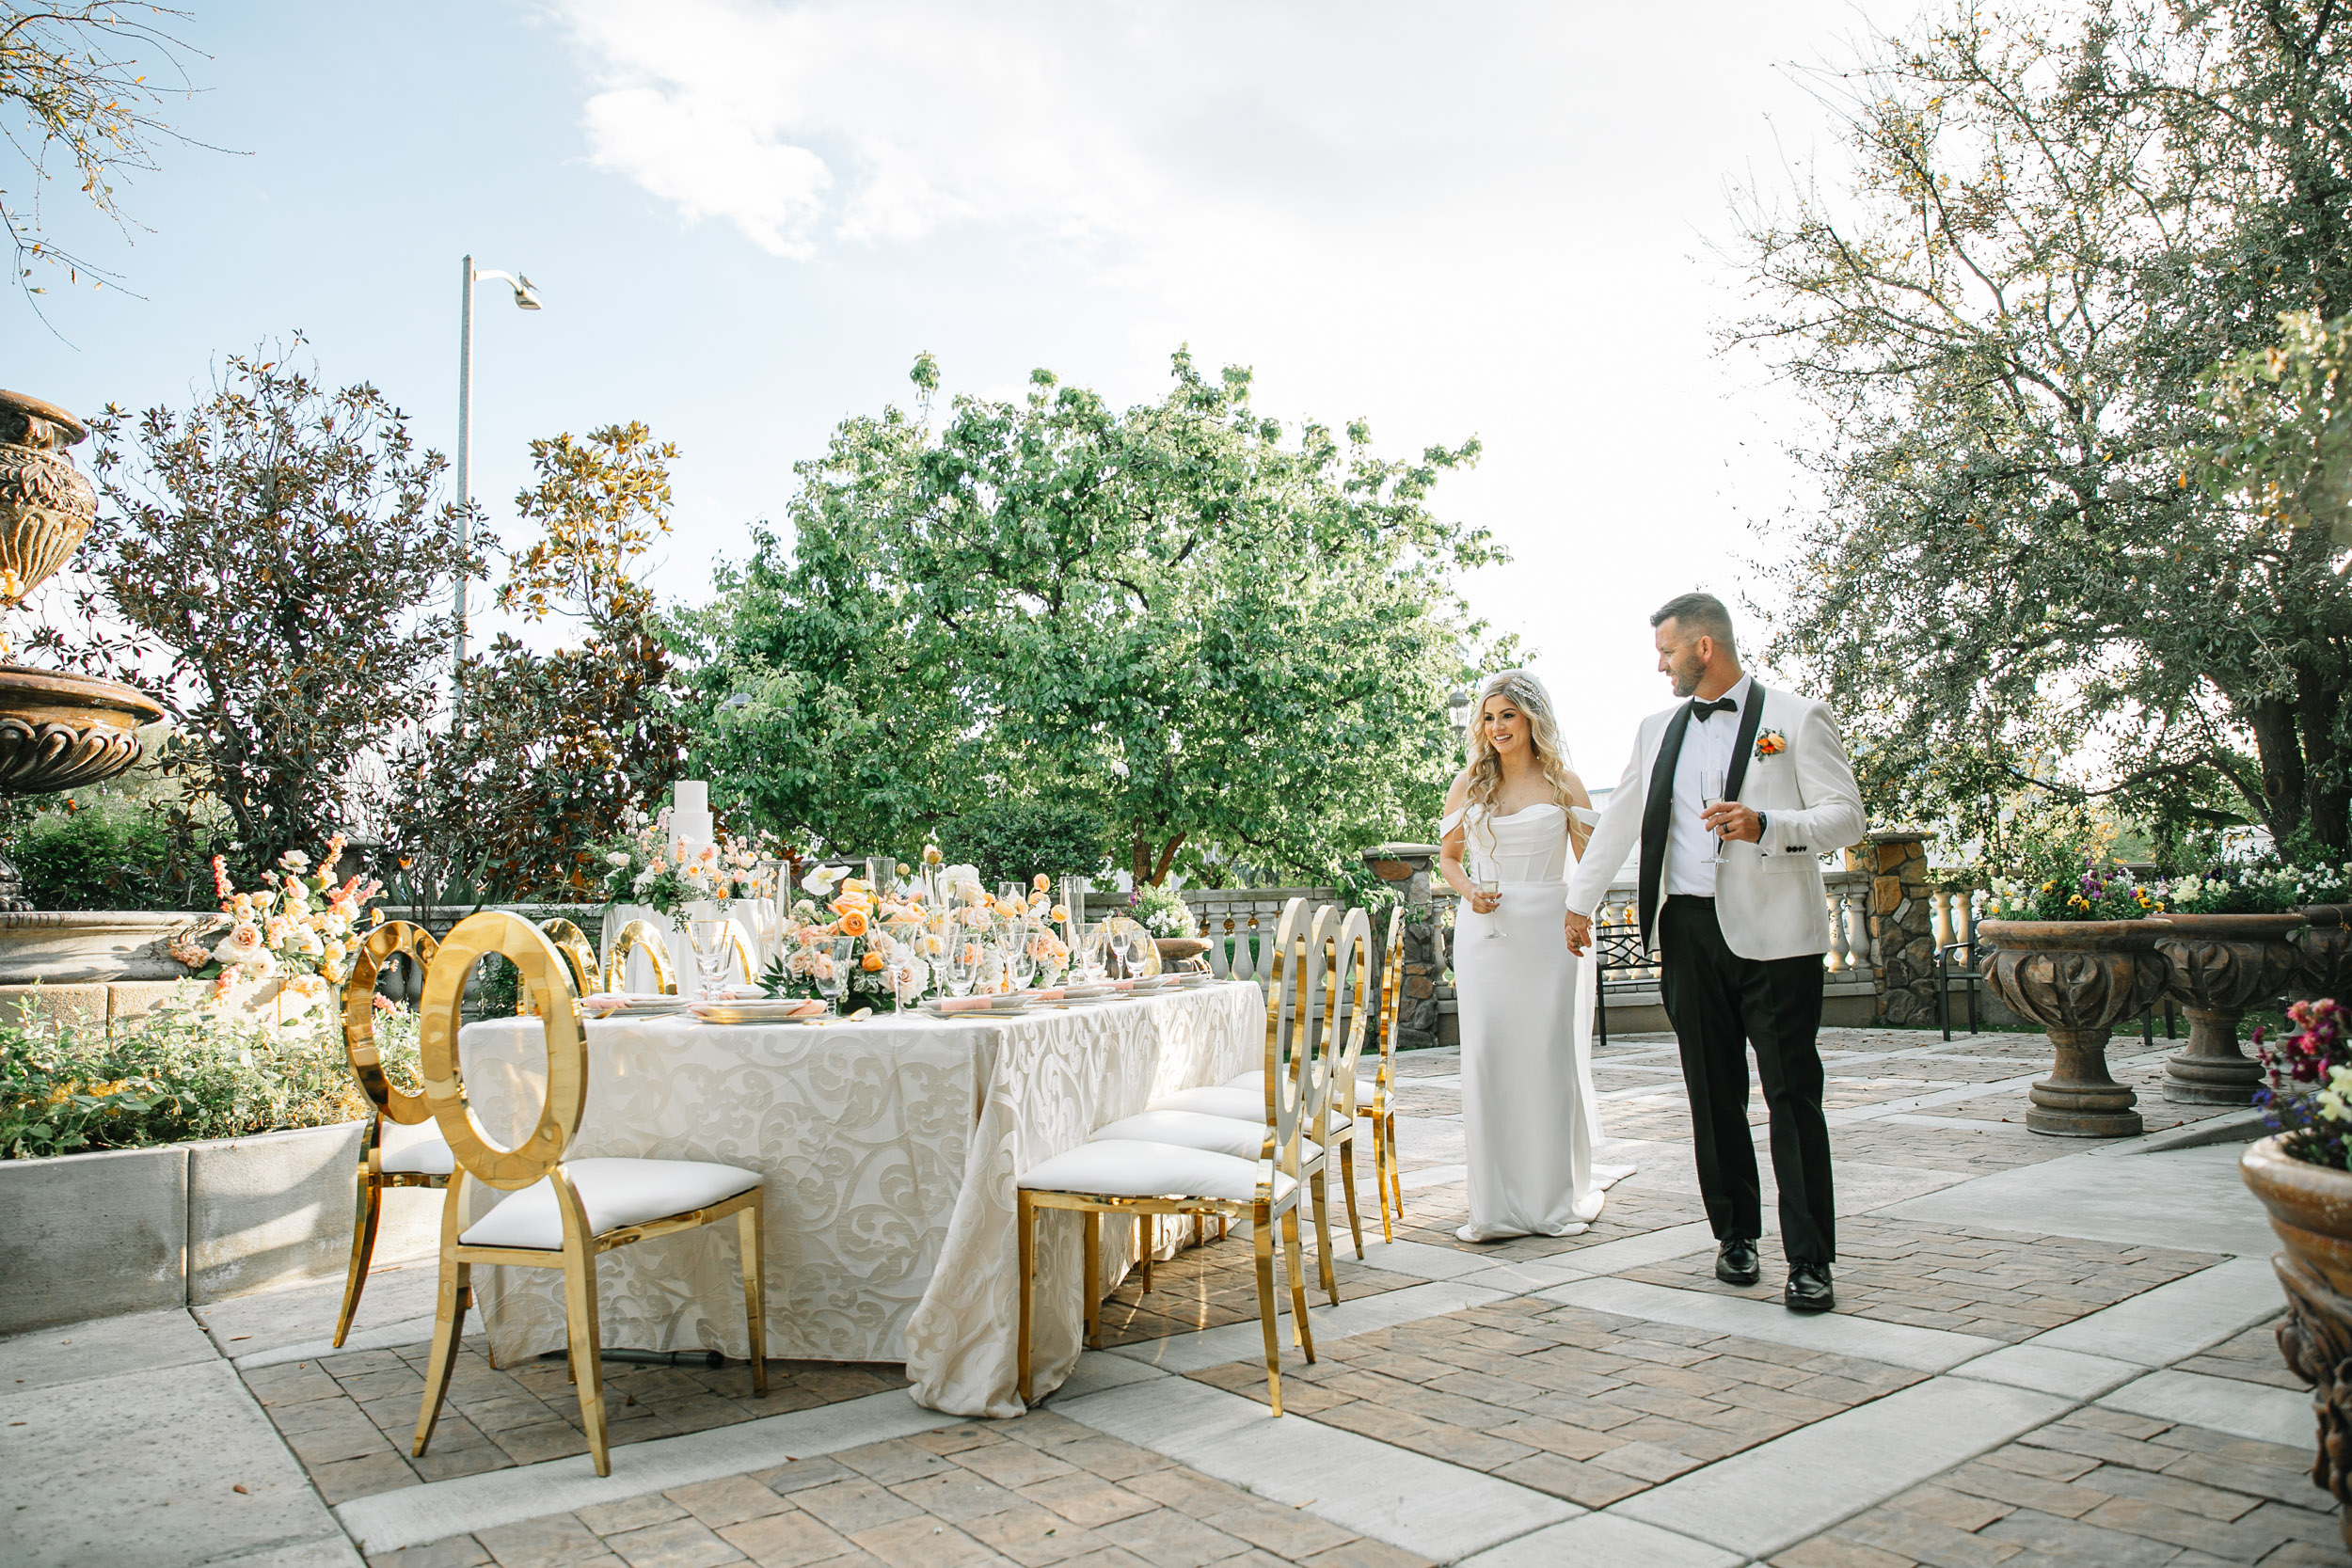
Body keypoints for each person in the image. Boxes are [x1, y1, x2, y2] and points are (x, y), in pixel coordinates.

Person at [1563, 593, 1864, 1312]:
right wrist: (1580, 899)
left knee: (1792, 1095)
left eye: (1666, 650)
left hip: (1778, 940)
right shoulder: (1655, 729)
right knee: (1711, 1094)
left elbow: (1845, 815)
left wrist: (1765, 822)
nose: (1659, 664)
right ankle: (1736, 1236)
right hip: (1690, 935)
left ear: (1704, 647)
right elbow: (1621, 820)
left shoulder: (1795, 717)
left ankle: (1811, 1260)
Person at [1438, 669, 1633, 1242]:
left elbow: (1590, 860)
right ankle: (1494, 1208)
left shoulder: (1564, 782)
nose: (1497, 727)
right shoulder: (1468, 784)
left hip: (1549, 935)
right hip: (1485, 935)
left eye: (1508, 716)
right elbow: (1449, 859)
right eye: (1490, 717)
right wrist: (1471, 891)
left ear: (1531, 720)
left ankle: (1552, 1200)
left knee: (1546, 1059)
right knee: (1489, 1059)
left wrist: (1582, 914)